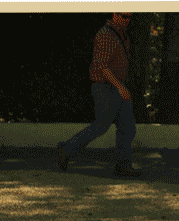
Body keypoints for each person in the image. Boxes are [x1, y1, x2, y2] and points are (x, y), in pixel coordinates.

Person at [58, 12, 141, 177]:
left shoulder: (122, 34)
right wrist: (120, 87)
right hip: (105, 87)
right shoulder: (106, 35)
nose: (127, 20)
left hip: (116, 86)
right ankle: (66, 149)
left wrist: (120, 86)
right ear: (115, 14)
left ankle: (123, 165)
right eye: (124, 16)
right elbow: (102, 65)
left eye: (129, 17)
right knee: (101, 126)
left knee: (127, 127)